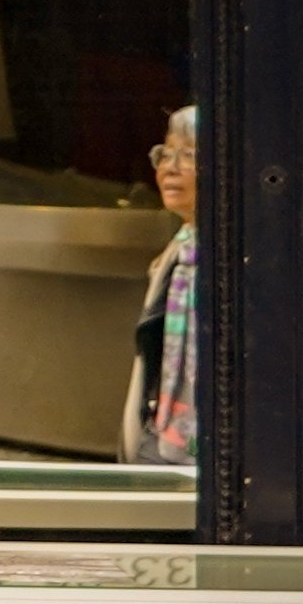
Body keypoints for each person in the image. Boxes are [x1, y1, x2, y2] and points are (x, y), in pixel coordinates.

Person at [122, 105, 203, 469]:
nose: (170, 168)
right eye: (166, 154)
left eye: (189, 156)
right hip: (164, 436)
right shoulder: (178, 252)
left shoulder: (240, 259)